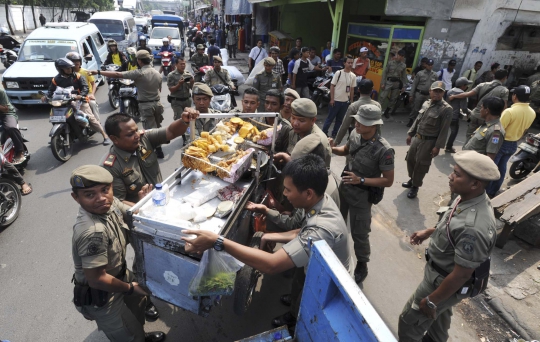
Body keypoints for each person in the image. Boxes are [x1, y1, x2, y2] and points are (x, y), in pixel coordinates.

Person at [182, 154, 352, 329]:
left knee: (310, 314)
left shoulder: (321, 229)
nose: (284, 194)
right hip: (317, 262)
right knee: (299, 288)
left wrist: (218, 241)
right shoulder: (319, 201)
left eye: (288, 190)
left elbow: (272, 264)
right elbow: (301, 229)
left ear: (308, 193)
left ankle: (295, 324)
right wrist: (269, 231)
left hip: (330, 282)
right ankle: (295, 305)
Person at [398, 150, 499, 342]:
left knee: (409, 322)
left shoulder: (474, 227)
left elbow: (462, 274)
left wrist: (431, 300)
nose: (450, 177)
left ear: (475, 183)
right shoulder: (468, 196)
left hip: (442, 281)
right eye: (454, 171)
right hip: (441, 275)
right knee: (438, 320)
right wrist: (430, 231)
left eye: (457, 174)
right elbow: (451, 223)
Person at [70, 165, 166, 342]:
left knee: (136, 316)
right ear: (76, 197)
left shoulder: (109, 202)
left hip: (120, 276)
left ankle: (141, 335)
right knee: (127, 335)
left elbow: (129, 211)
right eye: (90, 194)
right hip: (103, 294)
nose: (101, 198)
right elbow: (97, 279)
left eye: (105, 190)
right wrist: (130, 288)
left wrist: (142, 203)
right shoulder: (93, 232)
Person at [329, 104, 394, 284]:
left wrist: (362, 180)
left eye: (362, 122)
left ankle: (362, 264)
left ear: (374, 125)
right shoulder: (355, 135)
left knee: (360, 233)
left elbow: (388, 180)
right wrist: (332, 148)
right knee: (335, 223)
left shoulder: (384, 150)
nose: (357, 124)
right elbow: (346, 150)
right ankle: (333, 253)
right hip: (345, 189)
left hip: (362, 197)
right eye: (357, 120)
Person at [101, 109, 198, 204]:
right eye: (130, 134)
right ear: (114, 139)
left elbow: (171, 131)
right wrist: (142, 205)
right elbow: (119, 202)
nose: (137, 135)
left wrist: (183, 121)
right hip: (139, 211)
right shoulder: (110, 167)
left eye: (136, 130)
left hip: (162, 197)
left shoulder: (145, 138)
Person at [90, 50, 164, 157]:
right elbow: (159, 89)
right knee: (157, 126)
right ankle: (159, 147)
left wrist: (98, 72)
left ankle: (156, 151)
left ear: (139, 61)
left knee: (149, 130)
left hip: (146, 106)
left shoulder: (139, 73)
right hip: (157, 104)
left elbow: (117, 74)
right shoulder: (157, 73)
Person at [403, 81, 452, 199]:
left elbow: (444, 130)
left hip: (429, 141)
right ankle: (412, 179)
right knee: (410, 159)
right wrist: (410, 133)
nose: (437, 94)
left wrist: (438, 146)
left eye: (440, 92)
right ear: (430, 91)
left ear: (443, 93)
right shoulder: (426, 103)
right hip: (418, 137)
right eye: (435, 91)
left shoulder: (446, 109)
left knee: (421, 164)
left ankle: (415, 186)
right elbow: (417, 120)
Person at [45, 58, 110, 145]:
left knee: (91, 118)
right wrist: (46, 97)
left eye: (70, 68)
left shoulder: (78, 76)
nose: (70, 70)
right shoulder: (56, 79)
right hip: (64, 102)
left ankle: (104, 135)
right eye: (67, 68)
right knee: (56, 116)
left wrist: (81, 95)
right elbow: (50, 90)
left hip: (79, 101)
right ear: (60, 69)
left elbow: (85, 87)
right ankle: (58, 135)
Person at [486, 85, 536, 198]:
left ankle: (485, 193)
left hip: (501, 143)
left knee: (490, 168)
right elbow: (525, 130)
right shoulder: (532, 112)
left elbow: (498, 130)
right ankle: (493, 191)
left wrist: (492, 144)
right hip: (514, 143)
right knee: (502, 167)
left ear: (515, 96)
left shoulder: (510, 111)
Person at [448, 69, 509, 145]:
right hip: (488, 118)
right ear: (505, 78)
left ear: (494, 76)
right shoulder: (504, 90)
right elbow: (504, 106)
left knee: (469, 135)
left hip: (475, 115)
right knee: (481, 139)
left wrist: (454, 96)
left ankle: (465, 150)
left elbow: (468, 94)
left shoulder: (482, 85)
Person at [278, 98, 332, 168]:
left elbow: (313, 172)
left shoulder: (318, 142)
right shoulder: (294, 130)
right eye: (293, 118)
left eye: (301, 120)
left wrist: (285, 157)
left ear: (313, 120)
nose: (295, 123)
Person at [335, 78, 381, 144]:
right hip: (372, 139)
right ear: (372, 89)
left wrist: (336, 142)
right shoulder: (377, 105)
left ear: (358, 89)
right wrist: (379, 140)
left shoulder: (354, 106)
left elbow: (344, 126)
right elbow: (378, 126)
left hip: (356, 139)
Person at [322, 55, 355, 138]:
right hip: (336, 101)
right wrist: (332, 99)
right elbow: (332, 86)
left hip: (345, 102)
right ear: (344, 63)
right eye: (348, 62)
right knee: (330, 118)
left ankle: (334, 134)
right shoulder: (339, 73)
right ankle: (324, 133)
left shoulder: (353, 76)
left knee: (340, 120)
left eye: (351, 63)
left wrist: (351, 101)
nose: (350, 64)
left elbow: (352, 89)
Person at [66, 52, 101, 123]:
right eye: (73, 61)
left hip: (86, 95)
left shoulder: (86, 72)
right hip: (73, 96)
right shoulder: (66, 74)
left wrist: (92, 94)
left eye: (77, 61)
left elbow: (93, 84)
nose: (76, 63)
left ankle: (97, 122)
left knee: (93, 104)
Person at [167, 57, 194, 145]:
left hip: (187, 100)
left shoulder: (188, 74)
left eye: (184, 64)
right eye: (181, 64)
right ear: (176, 65)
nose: (183, 65)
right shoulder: (171, 75)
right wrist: (179, 84)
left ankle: (187, 135)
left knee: (189, 118)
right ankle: (185, 138)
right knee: (181, 119)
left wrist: (192, 82)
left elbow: (191, 88)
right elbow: (171, 89)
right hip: (176, 101)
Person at [444, 77, 473, 153]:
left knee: (442, 130)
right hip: (454, 116)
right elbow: (464, 108)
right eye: (466, 85)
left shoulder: (450, 91)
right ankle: (449, 147)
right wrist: (469, 113)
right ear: (463, 85)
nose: (467, 87)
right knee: (454, 131)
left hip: (446, 114)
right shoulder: (463, 94)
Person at [407, 59, 438, 127]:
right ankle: (411, 120)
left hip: (428, 95)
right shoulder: (420, 73)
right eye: (429, 65)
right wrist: (411, 95)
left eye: (431, 65)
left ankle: (419, 122)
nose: (430, 66)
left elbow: (435, 86)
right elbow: (414, 84)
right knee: (415, 108)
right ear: (426, 65)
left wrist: (434, 96)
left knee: (425, 109)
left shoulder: (434, 75)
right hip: (419, 93)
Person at [0, 88, 27, 164]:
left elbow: (6, 109)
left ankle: (20, 152)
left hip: (6, 114)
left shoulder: (1, 92)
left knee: (11, 128)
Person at [380, 49, 408, 118]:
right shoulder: (390, 63)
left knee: (393, 99)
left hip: (396, 83)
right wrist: (383, 83)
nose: (401, 57)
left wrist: (404, 86)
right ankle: (377, 111)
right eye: (400, 55)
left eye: (402, 56)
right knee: (383, 97)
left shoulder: (403, 65)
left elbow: (404, 76)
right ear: (397, 55)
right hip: (389, 82)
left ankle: (387, 112)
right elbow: (385, 73)